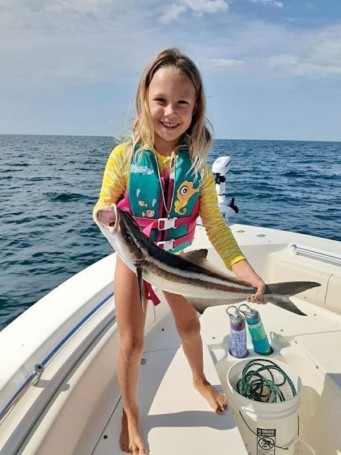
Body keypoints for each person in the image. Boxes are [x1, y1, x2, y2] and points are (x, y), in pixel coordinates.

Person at [93, 48, 265, 455]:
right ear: (144, 101)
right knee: (131, 345)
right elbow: (101, 206)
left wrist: (245, 273)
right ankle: (131, 413)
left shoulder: (199, 167)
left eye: (182, 103)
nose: (170, 112)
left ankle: (199, 379)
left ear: (195, 109)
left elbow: (217, 227)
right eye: (161, 100)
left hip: (177, 262)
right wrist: (105, 211)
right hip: (133, 262)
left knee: (190, 327)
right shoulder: (123, 158)